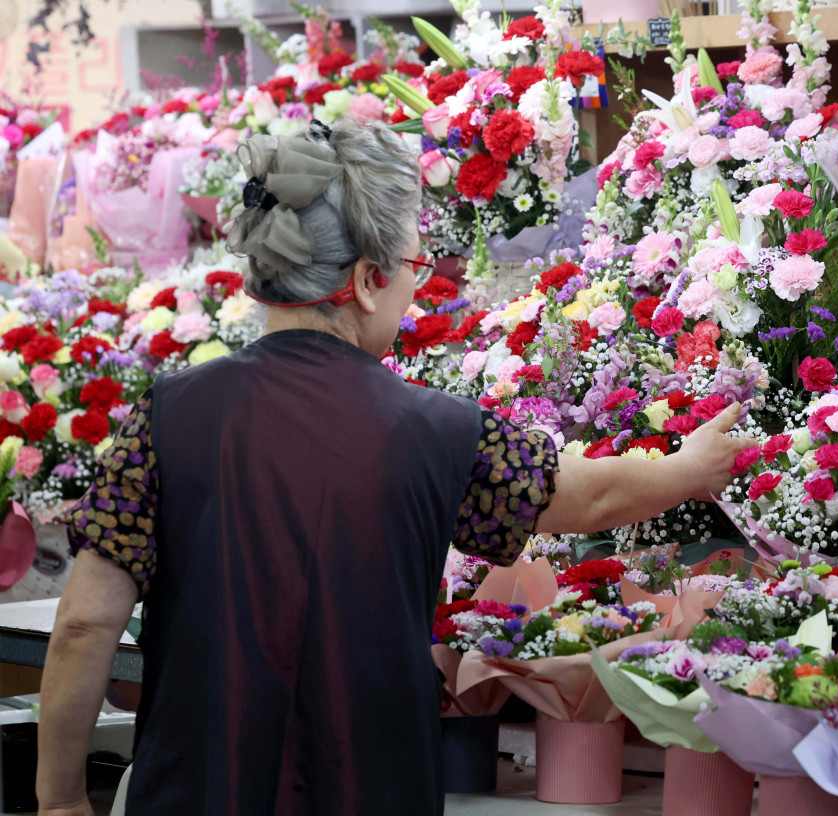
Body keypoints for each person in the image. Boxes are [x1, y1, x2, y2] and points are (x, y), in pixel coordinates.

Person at [35, 119, 754, 816]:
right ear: (370, 280)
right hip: (373, 787)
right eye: (413, 266)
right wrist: (690, 468)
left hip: (197, 787)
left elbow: (85, 626)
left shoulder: (165, 415)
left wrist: (63, 798)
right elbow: (586, 499)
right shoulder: (437, 430)